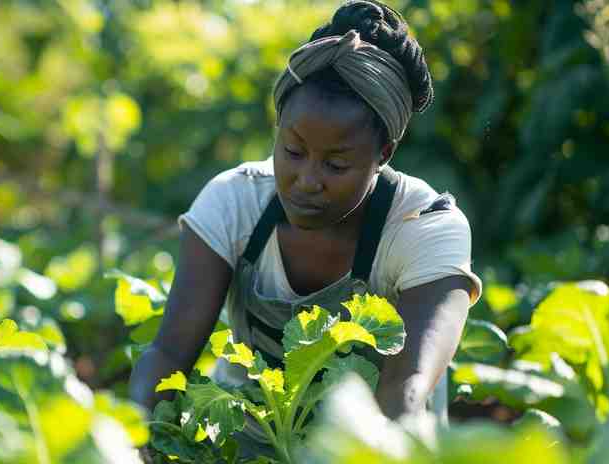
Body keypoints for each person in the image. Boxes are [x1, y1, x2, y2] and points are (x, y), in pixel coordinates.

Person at [130, 0, 482, 456]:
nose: (307, 180)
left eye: (336, 164)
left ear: (384, 153)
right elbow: (170, 353)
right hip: (249, 449)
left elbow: (406, 387)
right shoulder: (236, 201)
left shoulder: (425, 227)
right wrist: (131, 442)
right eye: (293, 152)